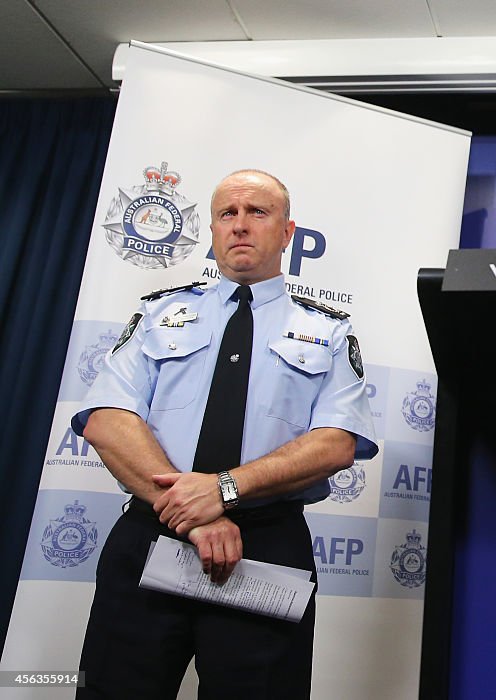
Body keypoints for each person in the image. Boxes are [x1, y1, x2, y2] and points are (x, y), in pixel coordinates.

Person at [71, 169, 377, 699]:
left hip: (265, 547)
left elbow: (337, 441)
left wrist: (223, 489)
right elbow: (107, 419)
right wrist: (194, 513)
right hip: (153, 533)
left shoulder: (329, 330)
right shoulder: (158, 313)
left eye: (257, 212)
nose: (240, 225)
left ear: (287, 233)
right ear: (212, 229)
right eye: (226, 214)